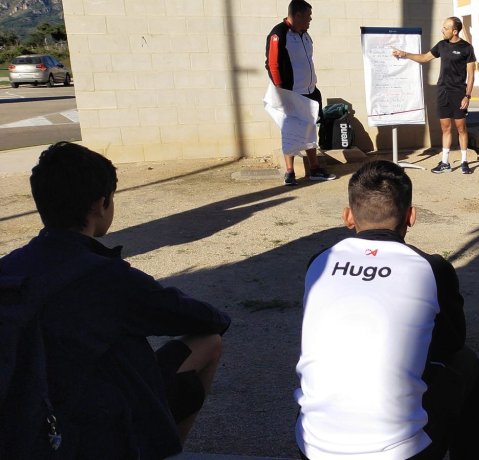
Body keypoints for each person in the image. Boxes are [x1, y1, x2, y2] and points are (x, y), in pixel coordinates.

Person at [0, 142, 231, 459]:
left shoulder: (9, 268)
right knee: (209, 341)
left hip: (21, 424)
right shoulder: (105, 277)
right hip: (90, 432)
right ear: (101, 205)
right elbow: (200, 318)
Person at [295, 160, 479, 459]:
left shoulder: (319, 263)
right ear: (411, 216)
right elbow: (450, 344)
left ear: (348, 216)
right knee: (465, 362)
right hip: (399, 452)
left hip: (314, 446)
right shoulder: (431, 268)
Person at [391, 17, 476, 175]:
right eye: (443, 27)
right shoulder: (441, 45)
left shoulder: (467, 48)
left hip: (459, 93)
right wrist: (404, 54)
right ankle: (445, 163)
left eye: (445, 28)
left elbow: (471, 76)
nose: (442, 30)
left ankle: (464, 162)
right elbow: (424, 58)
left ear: (455, 31)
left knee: (461, 128)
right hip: (442, 92)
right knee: (445, 128)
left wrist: (467, 96)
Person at [266, 0, 337, 185]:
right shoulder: (279, 34)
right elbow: (272, 64)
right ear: (297, 15)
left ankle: (314, 169)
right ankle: (290, 172)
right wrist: (282, 92)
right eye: (308, 16)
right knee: (290, 130)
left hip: (310, 91)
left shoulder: (305, 34)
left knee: (310, 128)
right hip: (291, 93)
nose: (310, 20)